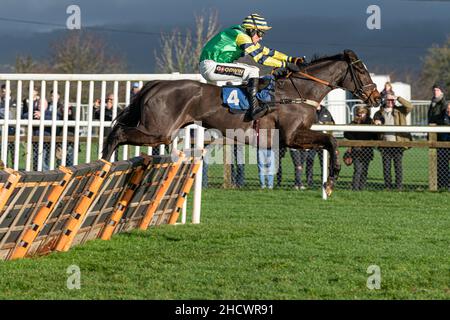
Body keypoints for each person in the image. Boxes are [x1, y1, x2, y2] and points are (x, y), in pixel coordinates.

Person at [199, 13, 304, 120]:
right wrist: (285, 65)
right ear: (252, 30)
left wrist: (290, 59)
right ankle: (254, 108)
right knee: (252, 72)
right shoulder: (241, 36)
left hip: (214, 65)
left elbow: (267, 52)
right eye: (260, 33)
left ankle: (246, 101)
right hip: (211, 67)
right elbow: (260, 58)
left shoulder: (243, 35)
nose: (261, 37)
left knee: (253, 71)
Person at [374, 93, 414, 190]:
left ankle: (399, 187)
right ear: (384, 101)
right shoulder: (379, 113)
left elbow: (410, 106)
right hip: (385, 143)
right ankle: (387, 186)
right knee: (386, 168)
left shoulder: (400, 111)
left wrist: (398, 98)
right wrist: (375, 123)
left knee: (398, 167)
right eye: (388, 100)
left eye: (392, 100)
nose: (390, 102)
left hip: (398, 143)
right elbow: (374, 124)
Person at [343, 106, 378, 190]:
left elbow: (375, 136)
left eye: (362, 113)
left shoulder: (371, 122)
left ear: (366, 113)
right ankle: (355, 188)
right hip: (356, 149)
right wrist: (355, 141)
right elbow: (346, 134)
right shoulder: (354, 122)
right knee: (358, 169)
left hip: (367, 149)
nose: (360, 115)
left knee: (365, 170)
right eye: (359, 113)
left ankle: (362, 187)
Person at [305, 104, 335, 188]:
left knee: (324, 163)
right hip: (312, 141)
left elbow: (332, 124)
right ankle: (309, 182)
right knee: (310, 161)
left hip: (323, 142)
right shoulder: (310, 110)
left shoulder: (326, 111)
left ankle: (324, 181)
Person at [436, 101, 450, 190]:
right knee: (442, 166)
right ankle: (443, 185)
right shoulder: (441, 118)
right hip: (443, 144)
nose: (449, 110)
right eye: (448, 108)